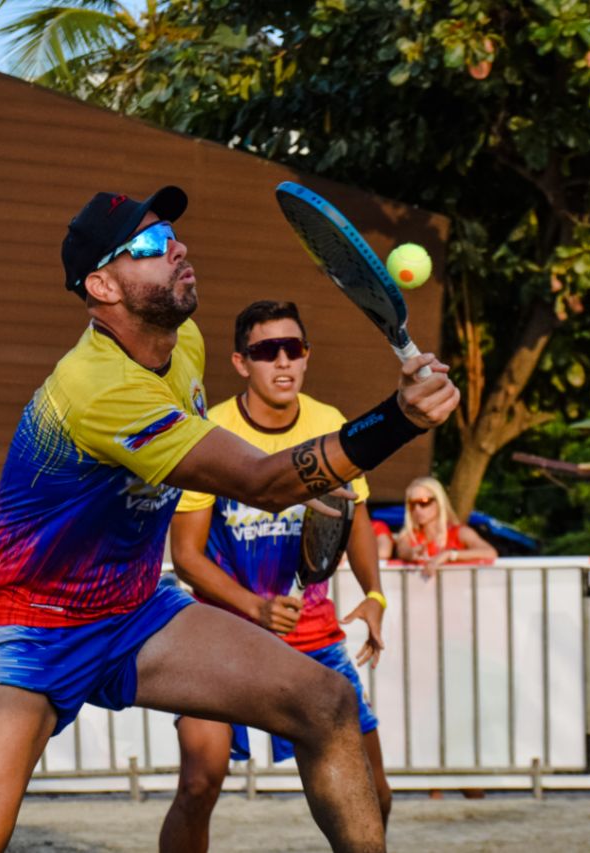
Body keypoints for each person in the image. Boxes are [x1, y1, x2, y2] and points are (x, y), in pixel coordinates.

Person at [0, 187, 459, 853]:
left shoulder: (184, 344)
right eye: (149, 244)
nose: (176, 247)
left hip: (133, 609)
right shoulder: (97, 389)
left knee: (327, 703)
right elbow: (262, 482)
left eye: (173, 233)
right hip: (28, 623)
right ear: (102, 284)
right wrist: (399, 419)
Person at [160, 300, 390, 852]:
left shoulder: (328, 423)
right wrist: (254, 607)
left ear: (307, 356)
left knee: (374, 795)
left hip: (310, 637)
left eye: (295, 348)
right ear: (241, 363)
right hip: (222, 638)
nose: (283, 361)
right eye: (266, 351)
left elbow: (355, 514)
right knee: (198, 783)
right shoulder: (209, 430)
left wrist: (375, 594)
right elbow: (187, 556)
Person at [393, 477, 497, 579]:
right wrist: (411, 554)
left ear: (439, 501)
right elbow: (403, 550)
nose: (417, 509)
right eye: (412, 504)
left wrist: (450, 555)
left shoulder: (460, 532)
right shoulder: (409, 535)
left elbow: (490, 552)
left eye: (424, 502)